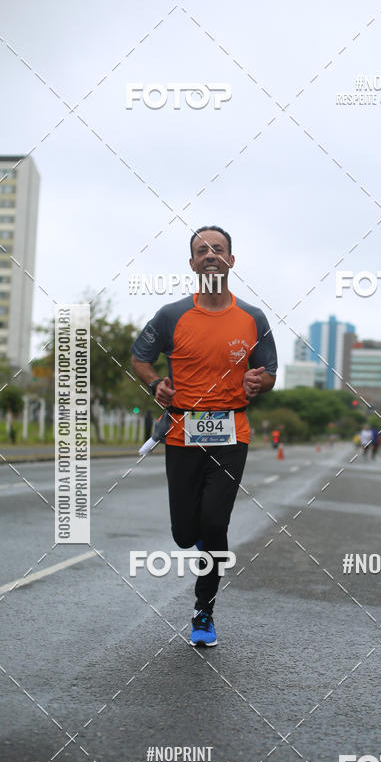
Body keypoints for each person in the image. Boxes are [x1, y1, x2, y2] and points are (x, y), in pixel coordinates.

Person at [131, 226, 277, 647]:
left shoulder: (254, 318)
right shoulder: (171, 315)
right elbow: (140, 357)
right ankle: (198, 540)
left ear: (231, 261)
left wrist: (258, 382)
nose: (210, 254)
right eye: (201, 250)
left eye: (218, 249)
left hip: (232, 432)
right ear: (192, 264)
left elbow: (269, 371)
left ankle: (203, 611)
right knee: (184, 533)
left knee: (215, 522)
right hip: (182, 432)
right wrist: (157, 382)